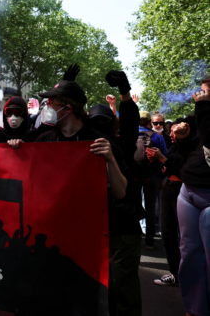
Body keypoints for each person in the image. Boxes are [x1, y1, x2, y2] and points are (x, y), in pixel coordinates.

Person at [90, 69, 144, 316]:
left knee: (123, 288)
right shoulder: (83, 149)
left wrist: (125, 92)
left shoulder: (122, 145)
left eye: (105, 123)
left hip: (123, 227)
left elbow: (131, 123)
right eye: (95, 124)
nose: (100, 129)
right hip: (95, 228)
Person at [177, 82, 210, 316]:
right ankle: (195, 308)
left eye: (206, 90)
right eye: (201, 90)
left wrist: (203, 108)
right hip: (188, 190)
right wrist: (183, 138)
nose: (200, 94)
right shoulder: (200, 113)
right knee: (189, 253)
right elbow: (198, 149)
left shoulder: (204, 111)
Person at [150, 120, 196, 287]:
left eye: (176, 132)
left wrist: (162, 159)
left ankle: (188, 274)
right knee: (167, 233)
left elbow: (183, 170)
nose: (171, 135)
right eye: (172, 131)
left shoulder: (192, 148)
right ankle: (175, 272)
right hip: (168, 189)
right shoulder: (174, 146)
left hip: (181, 191)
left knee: (184, 235)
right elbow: (169, 166)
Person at [138, 111, 168, 249]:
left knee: (133, 204)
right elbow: (164, 157)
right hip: (152, 176)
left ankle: (135, 237)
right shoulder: (157, 137)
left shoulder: (129, 133)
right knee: (150, 208)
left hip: (133, 176)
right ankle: (149, 240)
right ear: (149, 122)